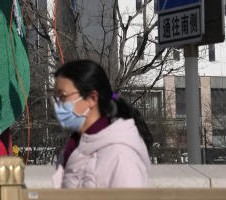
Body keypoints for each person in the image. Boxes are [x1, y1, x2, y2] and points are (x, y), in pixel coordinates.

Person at [51, 59, 151, 188]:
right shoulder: (72, 150)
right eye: (55, 98)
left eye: (62, 96)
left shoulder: (120, 156)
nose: (56, 105)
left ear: (92, 98)